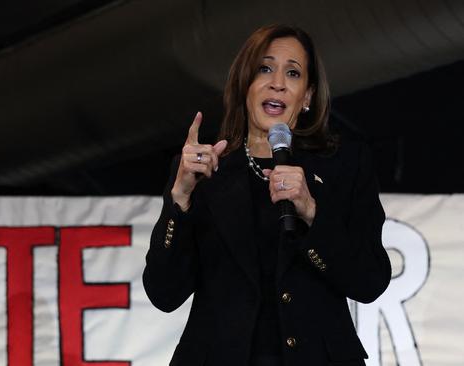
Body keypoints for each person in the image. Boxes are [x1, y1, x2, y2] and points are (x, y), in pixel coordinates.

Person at [142, 24, 391, 366]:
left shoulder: (345, 166)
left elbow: (369, 282)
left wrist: (311, 211)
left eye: (293, 72)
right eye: (264, 68)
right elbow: (164, 293)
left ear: (306, 96)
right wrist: (180, 200)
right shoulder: (203, 170)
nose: (277, 82)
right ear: (245, 84)